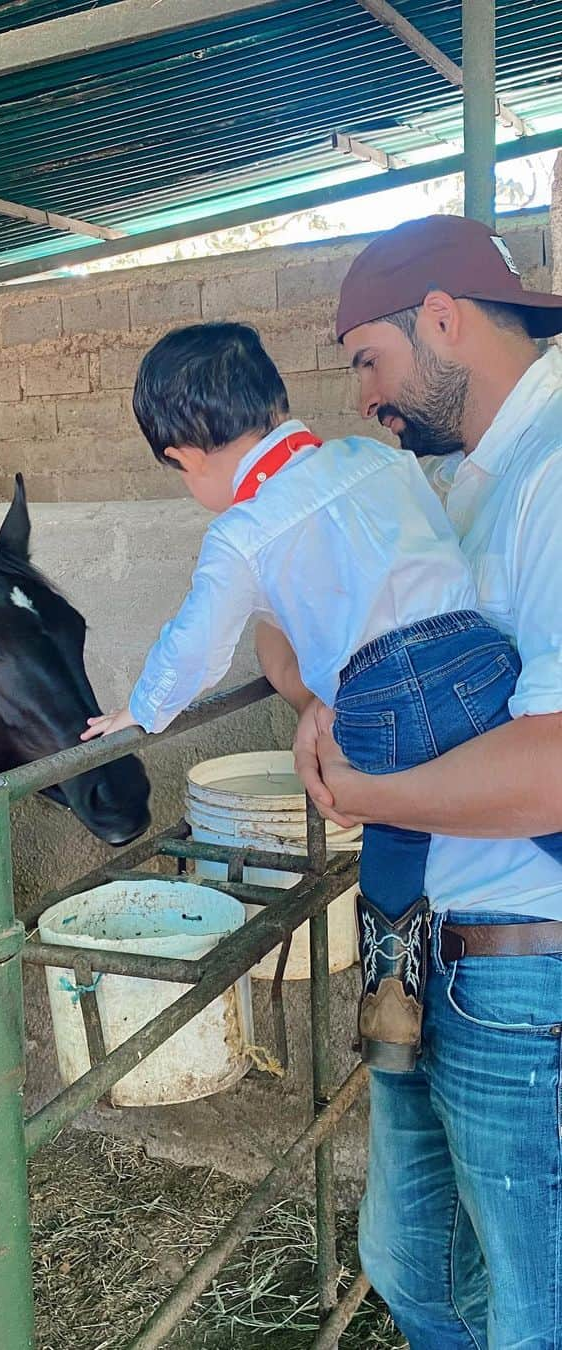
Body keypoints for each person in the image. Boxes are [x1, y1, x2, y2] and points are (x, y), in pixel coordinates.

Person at [81, 319, 562, 1074]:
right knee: (518, 786)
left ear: (184, 457)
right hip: (475, 654)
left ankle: (390, 995)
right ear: (275, 402)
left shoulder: (242, 533)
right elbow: (435, 546)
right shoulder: (375, 459)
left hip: (372, 696)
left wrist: (140, 710)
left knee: (391, 821)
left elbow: (195, 649)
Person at [256, 214, 562, 1348]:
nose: (367, 398)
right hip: (429, 948)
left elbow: (557, 766)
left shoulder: (556, 477)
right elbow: (286, 636)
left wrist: (364, 792)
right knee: (416, 1272)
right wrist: (323, 700)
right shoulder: (460, 483)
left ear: (442, 319)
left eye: (369, 362)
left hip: (528, 970)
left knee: (536, 1309)